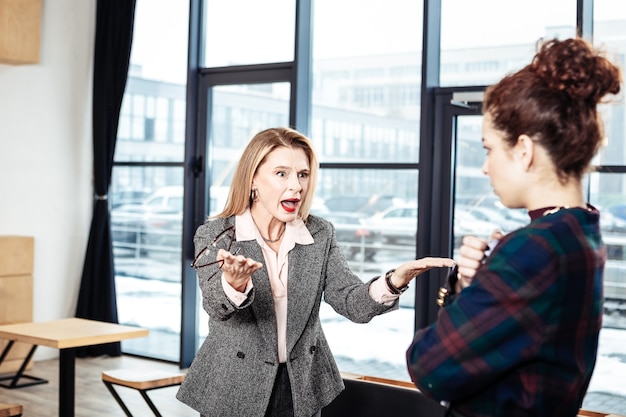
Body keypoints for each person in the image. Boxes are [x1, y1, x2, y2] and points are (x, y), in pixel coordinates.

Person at [406, 37, 622, 417]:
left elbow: (429, 367)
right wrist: (471, 286)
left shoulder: (535, 248)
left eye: (489, 149)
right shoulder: (582, 231)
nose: (486, 167)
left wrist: (469, 291)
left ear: (524, 151)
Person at [176, 127, 455, 417]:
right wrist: (233, 284)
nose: (296, 186)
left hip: (300, 383)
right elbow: (215, 306)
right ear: (253, 180)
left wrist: (394, 281)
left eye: (303, 174)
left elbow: (351, 302)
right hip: (233, 384)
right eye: (281, 173)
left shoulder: (320, 233)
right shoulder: (215, 234)